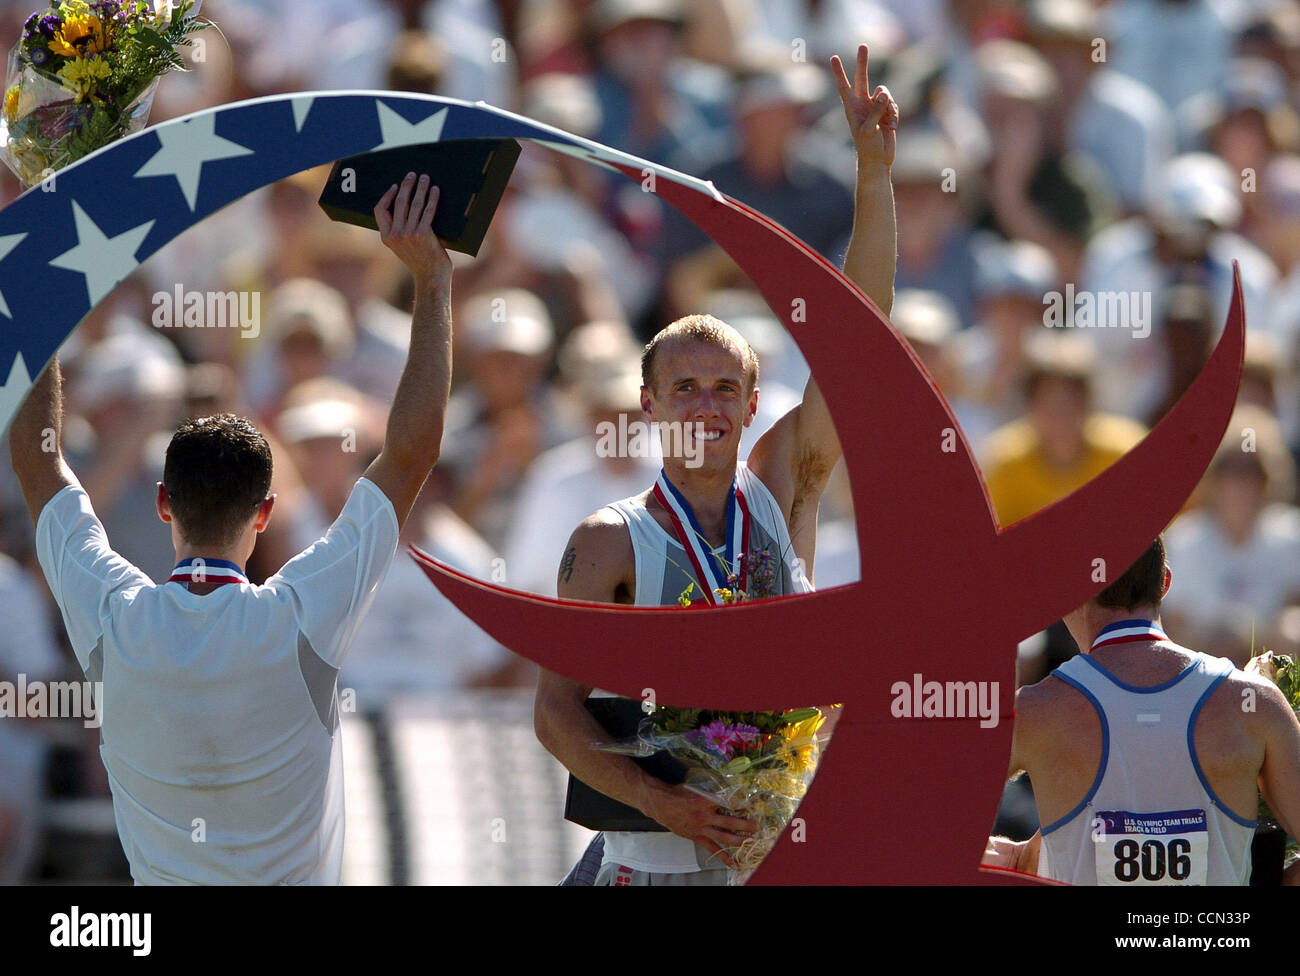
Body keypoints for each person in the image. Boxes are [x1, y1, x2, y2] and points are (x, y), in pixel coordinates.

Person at [6, 172, 454, 884]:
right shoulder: (304, 610)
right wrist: (431, 284)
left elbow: (40, 467)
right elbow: (413, 453)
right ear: (266, 513)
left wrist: (47, 283)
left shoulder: (114, 615)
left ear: (163, 504)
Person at [533, 44, 898, 886]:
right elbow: (556, 713)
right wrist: (662, 803)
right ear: (649, 405)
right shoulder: (609, 541)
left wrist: (872, 179)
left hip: (779, 857)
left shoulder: (782, 484)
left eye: (723, 388)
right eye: (684, 388)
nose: (705, 405)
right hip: (650, 865)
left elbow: (862, 346)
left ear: (751, 402)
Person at [986, 537, 1300, 885]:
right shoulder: (1254, 703)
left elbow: (932, 828)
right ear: (1165, 582)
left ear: (1070, 593)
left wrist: (1020, 858)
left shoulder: (1034, 711)